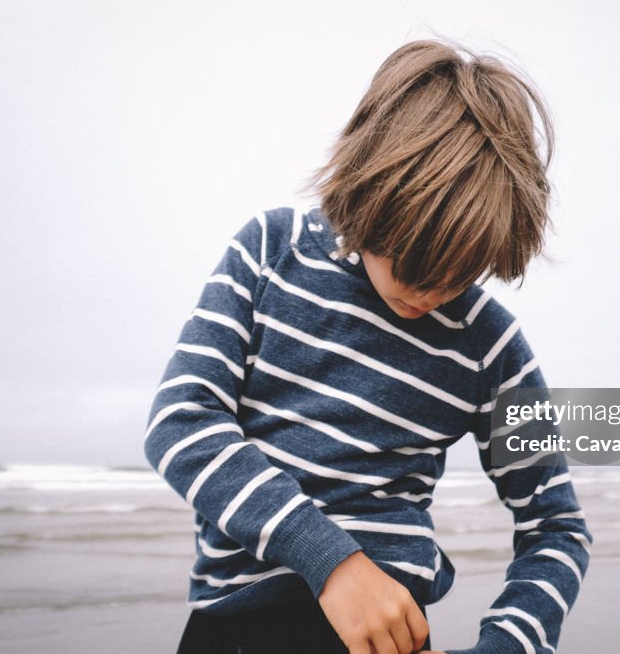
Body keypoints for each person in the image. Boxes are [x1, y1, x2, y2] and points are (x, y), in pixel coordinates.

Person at [145, 39, 591, 654]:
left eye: (461, 270)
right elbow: (181, 422)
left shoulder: (489, 345)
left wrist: (509, 645)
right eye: (412, 256)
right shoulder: (272, 252)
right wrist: (331, 561)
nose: (428, 289)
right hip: (237, 624)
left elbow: (556, 526)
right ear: (368, 184)